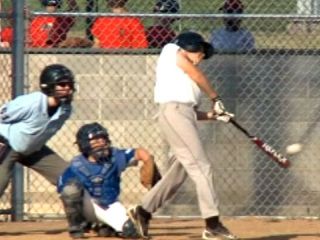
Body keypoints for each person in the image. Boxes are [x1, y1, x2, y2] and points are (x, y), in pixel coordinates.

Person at [127, 31, 237, 240]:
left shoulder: (182, 79)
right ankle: (212, 225)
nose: (201, 58)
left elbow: (189, 112)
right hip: (173, 114)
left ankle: (143, 211)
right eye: (200, 52)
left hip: (182, 116)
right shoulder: (171, 51)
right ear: (189, 46)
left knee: (180, 171)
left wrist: (213, 115)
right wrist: (215, 97)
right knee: (202, 168)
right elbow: (178, 105)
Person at [57, 122, 160, 239]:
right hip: (87, 206)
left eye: (103, 139)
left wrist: (148, 160)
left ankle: (103, 225)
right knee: (70, 190)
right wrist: (75, 216)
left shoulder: (114, 157)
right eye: (95, 140)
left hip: (109, 205)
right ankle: (77, 227)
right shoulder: (75, 165)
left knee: (132, 231)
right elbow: (63, 194)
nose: (101, 143)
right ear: (84, 144)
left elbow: (138, 152)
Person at [0, 64, 75, 199]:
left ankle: (82, 218)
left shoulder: (65, 109)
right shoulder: (31, 102)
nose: (67, 88)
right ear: (48, 86)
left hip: (33, 149)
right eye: (62, 84)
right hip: (7, 144)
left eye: (70, 85)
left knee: (72, 179)